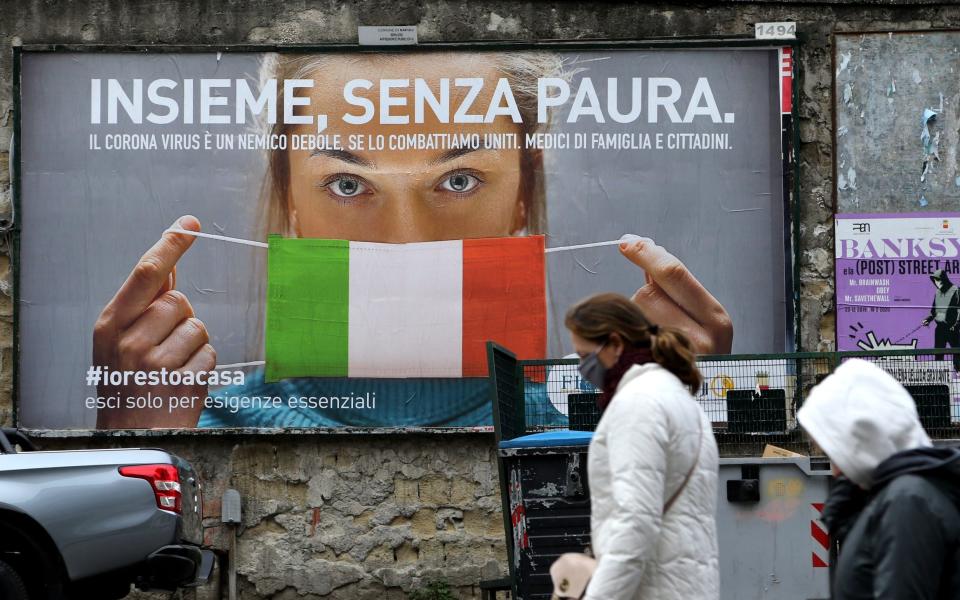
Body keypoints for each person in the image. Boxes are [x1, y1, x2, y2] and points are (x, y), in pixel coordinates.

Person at [93, 52, 734, 429]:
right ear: (289, 201)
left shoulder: (582, 424)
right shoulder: (191, 418)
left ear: (521, 194)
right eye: (347, 184)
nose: (404, 243)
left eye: (458, 179)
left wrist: (672, 415)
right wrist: (133, 441)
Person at [564, 293, 719, 600]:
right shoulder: (678, 398)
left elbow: (635, 522)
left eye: (584, 356)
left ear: (616, 344)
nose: (583, 369)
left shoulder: (637, 404)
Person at [797, 358, 960, 600]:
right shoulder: (898, 496)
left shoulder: (907, 502)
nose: (835, 471)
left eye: (835, 454)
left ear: (862, 443)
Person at [922, 269, 960, 370]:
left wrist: (956, 325)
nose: (936, 283)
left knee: (957, 354)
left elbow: (959, 311)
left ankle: (959, 374)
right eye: (934, 280)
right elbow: (934, 311)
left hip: (952, 328)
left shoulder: (956, 290)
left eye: (938, 280)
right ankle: (939, 375)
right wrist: (928, 319)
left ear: (944, 279)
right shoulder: (937, 293)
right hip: (940, 329)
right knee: (938, 354)